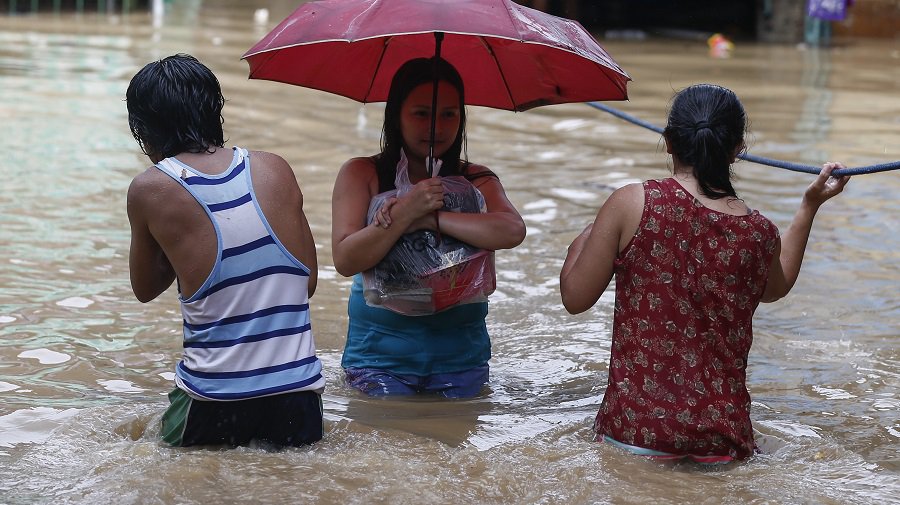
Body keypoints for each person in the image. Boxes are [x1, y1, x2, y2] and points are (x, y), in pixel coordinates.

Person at [559, 84, 850, 463]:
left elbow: (574, 298)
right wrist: (809, 205)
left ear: (668, 141)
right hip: (723, 439)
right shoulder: (758, 231)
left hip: (635, 433)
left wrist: (588, 235)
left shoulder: (631, 203)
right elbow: (775, 287)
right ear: (738, 149)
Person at [125, 54, 325, 447]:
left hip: (213, 400)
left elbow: (144, 288)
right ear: (214, 111)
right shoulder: (276, 168)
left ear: (143, 130)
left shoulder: (150, 189)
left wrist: (180, 245)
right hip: (299, 396)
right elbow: (308, 283)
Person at [331, 57, 526, 398]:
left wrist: (432, 218)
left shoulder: (475, 179)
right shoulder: (362, 174)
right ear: (396, 116)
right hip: (379, 358)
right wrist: (406, 212)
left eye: (449, 114)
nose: (436, 127)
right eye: (421, 114)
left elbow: (511, 231)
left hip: (462, 357)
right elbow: (346, 259)